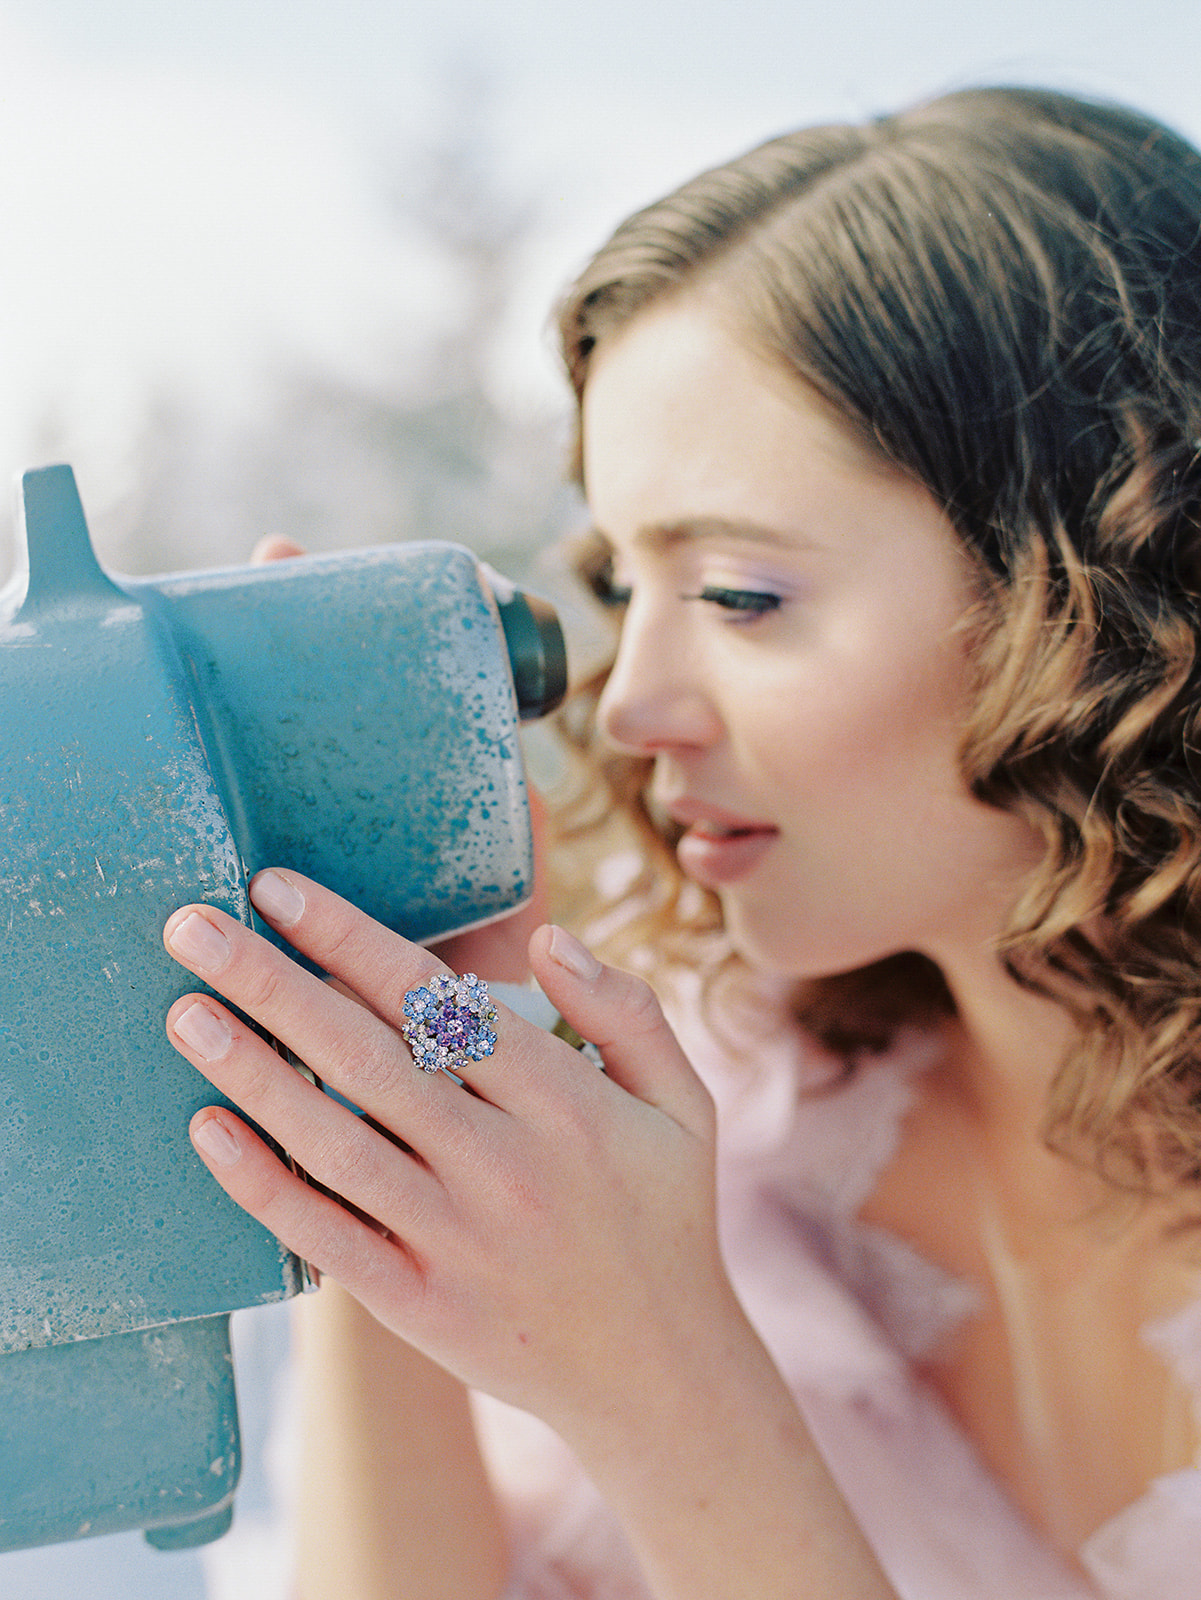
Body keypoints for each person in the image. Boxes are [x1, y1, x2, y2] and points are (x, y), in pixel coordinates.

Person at [160, 86, 1201, 1599]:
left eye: (737, 596)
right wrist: (382, 1142)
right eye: (615, 580)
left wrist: (664, 1388)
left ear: (1106, 586)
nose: (631, 701)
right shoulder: (730, 1106)